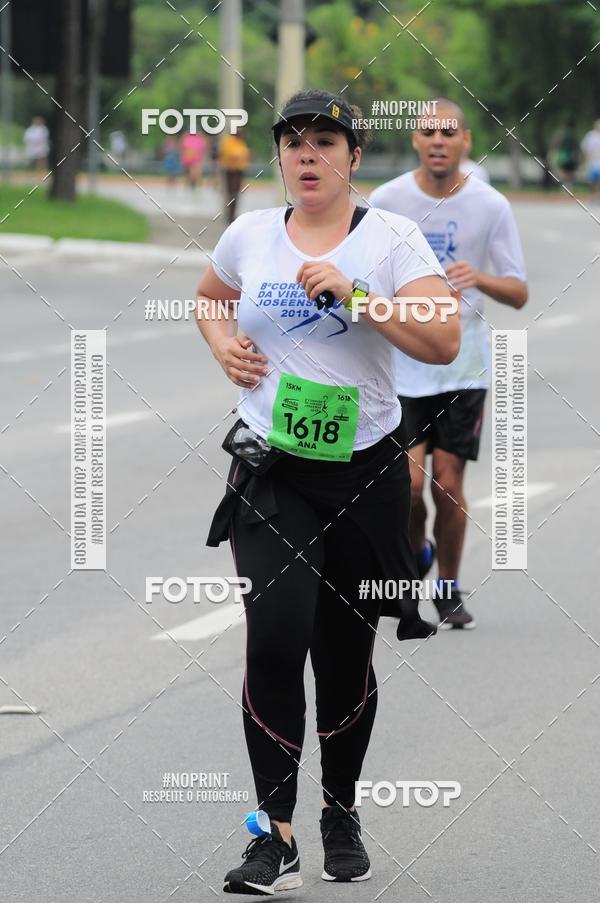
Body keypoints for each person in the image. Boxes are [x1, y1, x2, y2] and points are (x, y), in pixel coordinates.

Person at [195, 89, 460, 894]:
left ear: (352, 155)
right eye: (294, 142)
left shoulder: (390, 237)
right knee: (275, 633)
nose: (307, 154)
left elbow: (444, 337)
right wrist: (225, 347)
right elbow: (210, 300)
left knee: (343, 656)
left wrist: (359, 297)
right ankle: (272, 835)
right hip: (270, 467)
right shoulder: (250, 235)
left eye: (325, 141)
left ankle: (339, 810)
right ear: (280, 157)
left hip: (365, 472)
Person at [369, 98, 528, 630]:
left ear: (465, 142)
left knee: (448, 483)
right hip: (402, 362)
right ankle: (411, 574)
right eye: (428, 132)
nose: (438, 141)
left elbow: (519, 291)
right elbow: (361, 272)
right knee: (410, 487)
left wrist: (479, 278)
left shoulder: (490, 206)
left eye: (449, 133)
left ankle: (449, 587)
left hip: (464, 365)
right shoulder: (387, 201)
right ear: (415, 140)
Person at [218, 127, 251, 223]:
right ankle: (229, 215)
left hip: (239, 171)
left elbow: (245, 155)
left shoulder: (240, 142)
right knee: (231, 194)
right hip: (231, 171)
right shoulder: (228, 141)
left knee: (235, 194)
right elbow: (231, 154)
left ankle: (232, 214)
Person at [580, 119, 600, 194]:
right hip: (592, 162)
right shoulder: (591, 135)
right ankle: (594, 195)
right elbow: (585, 148)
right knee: (592, 181)